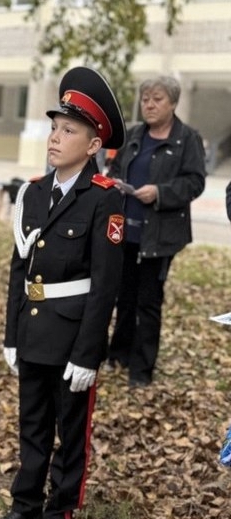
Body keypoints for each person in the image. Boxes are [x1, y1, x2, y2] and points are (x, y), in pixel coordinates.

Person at [0, 67, 126, 519]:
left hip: (72, 338)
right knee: (32, 423)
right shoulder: (33, 193)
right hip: (34, 330)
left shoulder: (103, 200)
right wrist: (10, 333)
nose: (55, 137)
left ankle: (59, 514)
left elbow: (105, 288)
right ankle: (25, 504)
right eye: (54, 127)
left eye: (69, 130)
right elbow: (18, 269)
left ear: (93, 146)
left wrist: (89, 353)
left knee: (71, 431)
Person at [105, 75, 206, 387]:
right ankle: (118, 355)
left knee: (148, 303)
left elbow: (194, 182)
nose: (148, 104)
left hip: (159, 237)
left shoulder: (187, 139)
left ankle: (142, 369)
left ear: (173, 103)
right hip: (125, 233)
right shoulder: (134, 135)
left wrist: (160, 192)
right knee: (124, 297)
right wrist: (115, 183)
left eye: (157, 99)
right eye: (145, 98)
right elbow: (116, 170)